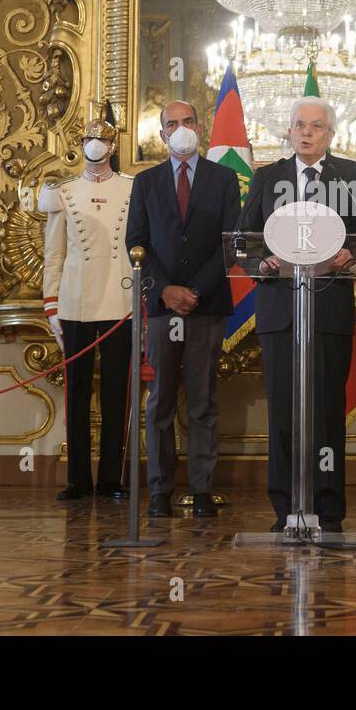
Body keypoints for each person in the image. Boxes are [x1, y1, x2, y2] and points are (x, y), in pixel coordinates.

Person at [238, 97, 356, 533]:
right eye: (299, 125)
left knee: (328, 412)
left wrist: (352, 253)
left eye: (316, 126)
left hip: (329, 311)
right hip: (281, 313)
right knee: (283, 414)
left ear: (331, 134)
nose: (307, 132)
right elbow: (244, 241)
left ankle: (328, 509)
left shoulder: (351, 176)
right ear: (289, 133)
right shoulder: (266, 177)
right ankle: (286, 508)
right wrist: (263, 263)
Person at [126, 100, 240, 519]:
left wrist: (193, 291)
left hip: (207, 305)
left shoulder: (224, 178)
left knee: (203, 399)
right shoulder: (147, 182)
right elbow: (136, 243)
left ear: (200, 128)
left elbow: (231, 243)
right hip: (161, 307)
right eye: (171, 124)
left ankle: (202, 489)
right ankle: (159, 490)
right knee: (160, 401)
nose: (181, 128)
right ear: (162, 135)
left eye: (188, 121)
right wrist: (165, 291)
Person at [40, 103, 134, 502]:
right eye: (89, 139)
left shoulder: (133, 188)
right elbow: (54, 254)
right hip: (75, 302)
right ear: (81, 144)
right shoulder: (64, 193)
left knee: (116, 393)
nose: (96, 145)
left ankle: (111, 478)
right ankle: (78, 478)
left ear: (113, 146)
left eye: (103, 139)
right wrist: (51, 307)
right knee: (77, 392)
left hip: (120, 300)